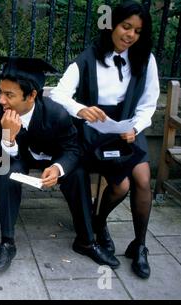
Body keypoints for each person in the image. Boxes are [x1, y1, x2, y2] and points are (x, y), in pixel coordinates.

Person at [50, 1, 159, 279]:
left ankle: (140, 245)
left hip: (128, 127)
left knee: (144, 180)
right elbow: (59, 94)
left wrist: (136, 127)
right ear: (111, 24)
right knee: (120, 186)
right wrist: (80, 109)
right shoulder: (88, 58)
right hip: (94, 131)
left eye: (137, 31)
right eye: (126, 27)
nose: (130, 35)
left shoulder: (146, 59)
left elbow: (148, 104)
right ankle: (98, 224)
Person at [0, 57, 120, 273]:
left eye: (9, 95)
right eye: (0, 91)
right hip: (16, 156)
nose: (1, 99)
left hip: (53, 156)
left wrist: (58, 168)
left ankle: (86, 241)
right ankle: (7, 243)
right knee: (7, 172)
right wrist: (8, 137)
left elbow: (73, 149)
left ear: (32, 96)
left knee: (77, 173)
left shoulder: (55, 113)